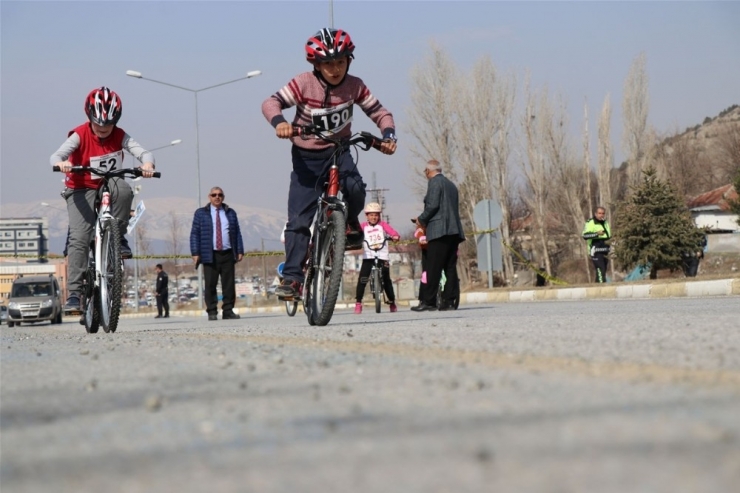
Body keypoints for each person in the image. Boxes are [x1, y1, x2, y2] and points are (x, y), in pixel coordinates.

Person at [261, 27, 398, 300]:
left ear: (349, 60)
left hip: (340, 151)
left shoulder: (355, 85)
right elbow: (271, 102)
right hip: (306, 159)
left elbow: (380, 112)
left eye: (340, 62)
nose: (334, 69)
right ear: (316, 64)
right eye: (327, 63)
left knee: (357, 188)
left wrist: (388, 135)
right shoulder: (303, 83)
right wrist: (281, 124)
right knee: (299, 220)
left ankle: (349, 225)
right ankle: (292, 279)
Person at [51, 87, 156, 311]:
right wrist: (62, 163)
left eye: (108, 124)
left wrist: (147, 164)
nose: (103, 129)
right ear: (90, 117)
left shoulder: (120, 135)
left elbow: (144, 153)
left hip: (109, 181)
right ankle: (75, 293)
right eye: (99, 124)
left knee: (125, 190)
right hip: (80, 187)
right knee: (79, 238)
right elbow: (57, 155)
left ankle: (117, 237)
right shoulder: (79, 134)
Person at [412, 160, 465, 312]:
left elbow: (433, 205)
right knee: (450, 267)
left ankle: (429, 301)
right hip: (454, 231)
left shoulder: (434, 183)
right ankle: (449, 301)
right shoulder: (451, 185)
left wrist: (421, 220)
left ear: (428, 171)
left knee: (433, 267)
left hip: (439, 231)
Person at [189, 187, 244, 321]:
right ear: (209, 197)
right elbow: (195, 233)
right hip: (210, 254)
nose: (217, 197)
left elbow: (237, 233)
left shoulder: (230, 213)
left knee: (229, 285)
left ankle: (228, 310)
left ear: (223, 197)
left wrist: (240, 250)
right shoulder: (201, 213)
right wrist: (195, 252)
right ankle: (212, 311)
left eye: (219, 195)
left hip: (227, 254)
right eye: (214, 195)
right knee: (210, 284)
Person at [354, 202, 400, 314]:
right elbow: (357, 234)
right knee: (362, 279)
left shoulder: (383, 225)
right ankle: (358, 303)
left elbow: (393, 232)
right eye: (371, 215)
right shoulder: (363, 226)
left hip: (382, 255)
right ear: (367, 216)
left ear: (379, 215)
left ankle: (392, 302)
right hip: (368, 255)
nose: (374, 217)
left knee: (386, 278)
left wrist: (395, 236)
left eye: (376, 215)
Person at [582, 206, 611, 283]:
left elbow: (608, 236)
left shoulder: (605, 222)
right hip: (595, 250)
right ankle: (602, 287)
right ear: (595, 214)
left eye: (603, 213)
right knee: (600, 269)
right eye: (599, 213)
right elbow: (585, 236)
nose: (601, 215)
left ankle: (596, 287)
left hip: (605, 249)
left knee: (603, 271)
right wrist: (596, 234)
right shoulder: (590, 222)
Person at [412, 218, 429, 303]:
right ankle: (422, 298)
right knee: (425, 273)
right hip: (427, 249)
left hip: (441, 247)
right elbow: (418, 231)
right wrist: (421, 237)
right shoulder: (423, 221)